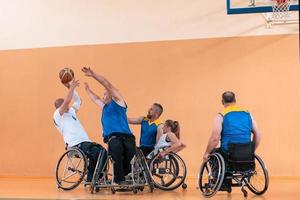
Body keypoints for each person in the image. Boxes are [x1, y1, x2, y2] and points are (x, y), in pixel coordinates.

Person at [82, 67, 136, 185]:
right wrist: (87, 90)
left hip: (127, 136)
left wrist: (93, 74)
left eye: (105, 94)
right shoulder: (104, 107)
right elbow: (95, 98)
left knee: (130, 151)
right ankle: (120, 179)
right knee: (116, 149)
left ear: (111, 95)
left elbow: (107, 84)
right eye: (103, 95)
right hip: (113, 137)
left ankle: (125, 172)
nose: (103, 96)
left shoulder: (119, 101)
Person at [53, 79, 106, 182]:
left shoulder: (71, 112)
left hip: (85, 143)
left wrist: (69, 86)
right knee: (98, 153)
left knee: (103, 151)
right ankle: (94, 179)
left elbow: (78, 101)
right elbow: (67, 101)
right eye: (64, 104)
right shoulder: (57, 115)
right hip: (75, 145)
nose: (68, 105)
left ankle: (95, 178)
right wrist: (71, 88)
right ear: (60, 106)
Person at [202, 91, 261, 161]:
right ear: (235, 100)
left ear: (222, 102)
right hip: (246, 151)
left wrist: (206, 153)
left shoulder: (221, 115)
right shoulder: (248, 114)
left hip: (228, 153)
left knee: (212, 154)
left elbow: (215, 139)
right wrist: (251, 150)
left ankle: (217, 172)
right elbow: (258, 135)